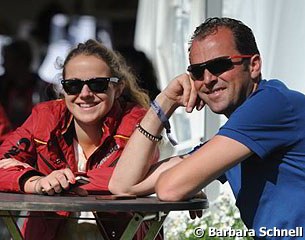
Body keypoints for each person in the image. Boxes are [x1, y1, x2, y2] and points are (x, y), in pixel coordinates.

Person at [109, 17, 305, 239]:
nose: (208, 79)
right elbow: (123, 185)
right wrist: (165, 101)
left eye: (219, 65)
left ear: (254, 65)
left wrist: (187, 180)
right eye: (197, 72)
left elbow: (170, 188)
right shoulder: (238, 136)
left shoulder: (272, 104)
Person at [0, 39, 162, 240]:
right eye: (73, 85)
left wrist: (61, 184)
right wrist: (37, 182)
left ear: (118, 88)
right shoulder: (44, 117)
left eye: (97, 84)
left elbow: (136, 175)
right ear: (63, 89)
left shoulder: (138, 121)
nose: (85, 94)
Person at [0, 39, 55, 129]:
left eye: (8, 59)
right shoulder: (2, 86)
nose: (3, 65)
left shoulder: (45, 90)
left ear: (22, 62)